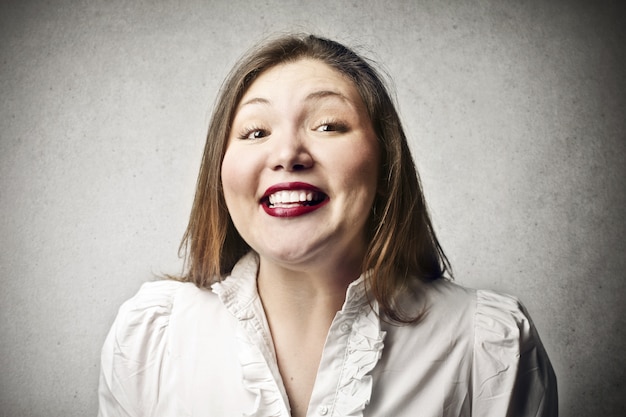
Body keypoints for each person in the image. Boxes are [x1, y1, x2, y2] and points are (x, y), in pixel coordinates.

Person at [98, 33, 557, 416]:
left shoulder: (488, 348)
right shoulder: (151, 340)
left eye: (328, 125)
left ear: (386, 164)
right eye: (256, 132)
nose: (287, 154)